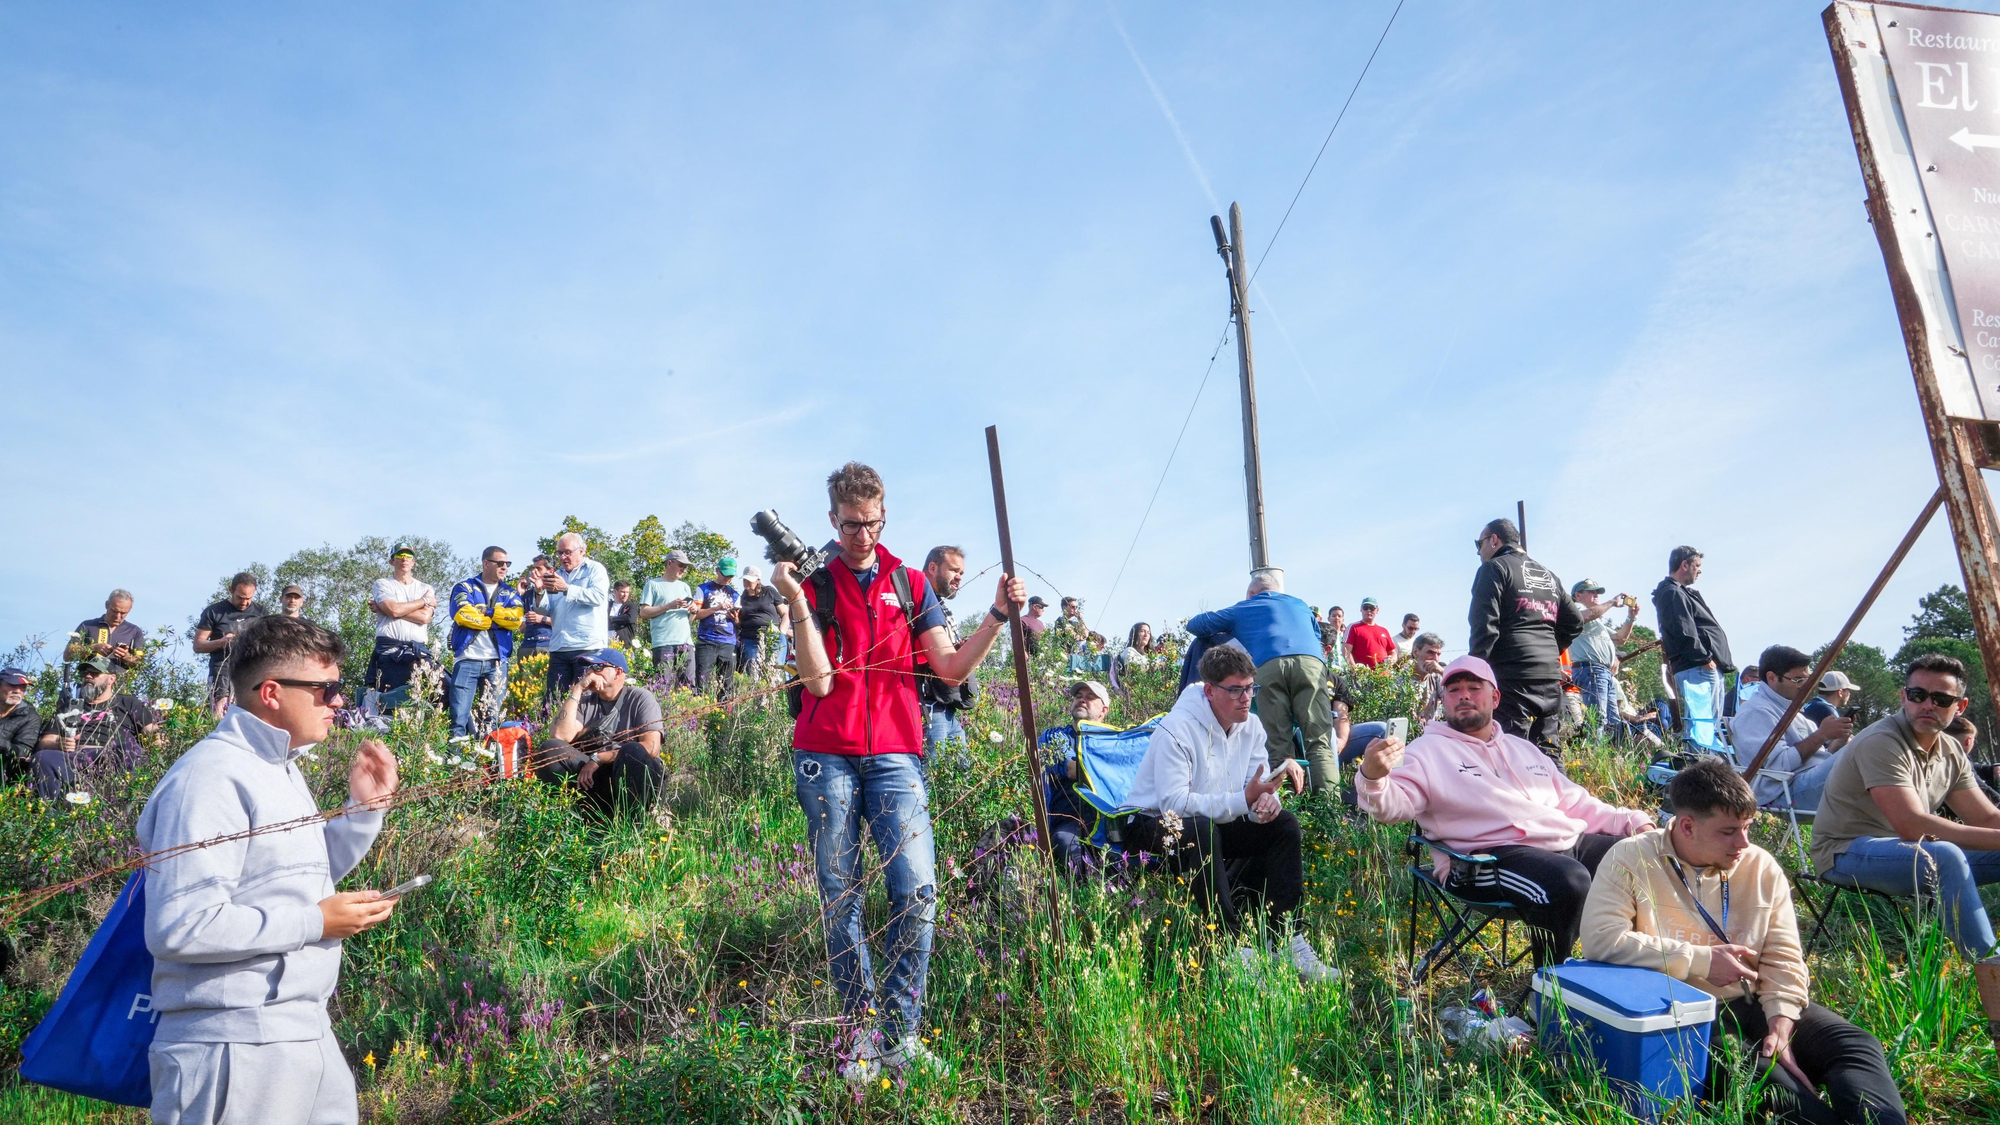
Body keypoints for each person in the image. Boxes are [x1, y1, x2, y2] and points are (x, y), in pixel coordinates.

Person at [774, 461, 1023, 1083]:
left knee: (915, 890)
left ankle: (900, 1037)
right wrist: (799, 604)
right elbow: (819, 681)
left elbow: (951, 671)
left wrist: (994, 617)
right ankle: (858, 1036)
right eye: (853, 524)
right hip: (824, 752)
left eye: (874, 523)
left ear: (885, 516)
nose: (864, 535)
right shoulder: (816, 582)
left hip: (895, 754)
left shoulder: (912, 584)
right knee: (841, 897)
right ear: (833, 519)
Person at [137, 614, 399, 1125]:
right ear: (273, 692)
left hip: (304, 1030)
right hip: (233, 1044)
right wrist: (317, 922)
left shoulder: (278, 768)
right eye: (327, 689)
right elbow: (180, 927)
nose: (339, 702)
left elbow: (293, 882)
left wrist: (364, 812)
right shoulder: (209, 777)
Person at [1581, 758, 1906, 1125]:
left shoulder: (1760, 865)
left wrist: (1782, 1017)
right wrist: (1701, 961)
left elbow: (1783, 953)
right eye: (1729, 831)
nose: (1744, 843)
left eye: (1748, 828)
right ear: (1687, 826)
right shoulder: (1632, 857)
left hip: (1755, 1001)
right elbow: (1601, 941)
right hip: (1681, 1014)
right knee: (1770, 1083)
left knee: (1856, 1046)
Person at [1358, 654, 1651, 967]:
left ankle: (1628, 971)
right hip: (1481, 860)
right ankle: (1552, 995)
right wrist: (1373, 776)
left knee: (1639, 857)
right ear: (1443, 700)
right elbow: (1394, 807)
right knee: (1569, 881)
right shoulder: (1425, 752)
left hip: (1560, 845)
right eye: (1454, 690)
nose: (1464, 695)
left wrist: (1637, 824)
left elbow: (1576, 803)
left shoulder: (1522, 748)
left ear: (1495, 697)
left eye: (1474, 687)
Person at [1122, 645, 1334, 980]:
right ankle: (1228, 945)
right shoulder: (1176, 729)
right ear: (1209, 690)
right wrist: (1245, 800)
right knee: (1200, 829)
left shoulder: (1252, 727)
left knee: (1283, 825)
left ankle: (1285, 938)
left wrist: (1265, 805)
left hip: (1211, 825)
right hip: (1149, 826)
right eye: (1235, 690)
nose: (1246, 697)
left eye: (1251, 688)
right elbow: (1174, 806)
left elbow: (1253, 786)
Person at [1811, 653, 2000, 970]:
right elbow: (1913, 826)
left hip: (1905, 853)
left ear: (1960, 707)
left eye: (1941, 698)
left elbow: (1985, 818)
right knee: (1945, 855)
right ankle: (1990, 973)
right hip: (1845, 851)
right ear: (1903, 697)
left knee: (1944, 854)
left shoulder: (1950, 749)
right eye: (1917, 695)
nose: (1927, 705)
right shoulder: (1882, 741)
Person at [1186, 568, 1334, 796]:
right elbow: (1316, 637)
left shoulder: (1244, 607)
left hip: (1268, 665)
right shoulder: (1301, 605)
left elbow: (1196, 624)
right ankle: (1329, 810)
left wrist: (1233, 626)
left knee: (1279, 745)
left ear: (1251, 592)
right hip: (1311, 664)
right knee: (1319, 742)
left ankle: (1287, 808)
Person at [1468, 518, 1584, 754]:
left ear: (1494, 540)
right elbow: (1575, 622)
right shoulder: (1549, 575)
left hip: (1512, 675)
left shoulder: (1494, 568)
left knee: (1512, 750)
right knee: (1548, 750)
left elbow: (1484, 627)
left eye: (1479, 544)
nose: (1479, 552)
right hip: (1549, 675)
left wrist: (1473, 672)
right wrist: (1550, 648)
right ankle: (1562, 792)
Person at [535, 650, 667, 819]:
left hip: (632, 776)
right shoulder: (586, 701)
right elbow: (560, 735)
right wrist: (577, 689)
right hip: (594, 778)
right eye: (589, 668)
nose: (590, 673)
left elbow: (651, 747)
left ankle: (632, 824)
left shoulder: (640, 698)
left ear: (618, 672)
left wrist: (599, 758)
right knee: (549, 748)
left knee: (632, 750)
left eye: (597, 667)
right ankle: (572, 820)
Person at [1736, 645, 1856, 811]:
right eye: (1798, 680)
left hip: (1805, 782)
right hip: (1783, 792)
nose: (1804, 686)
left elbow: (1820, 756)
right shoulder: (1756, 712)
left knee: (1872, 748)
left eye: (1807, 680)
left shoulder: (1791, 710)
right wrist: (1821, 734)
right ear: (1771, 678)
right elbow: (1778, 766)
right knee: (1870, 746)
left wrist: (1841, 740)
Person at [34, 653, 160, 798]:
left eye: (95, 673)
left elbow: (153, 733)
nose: (88, 676)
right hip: (76, 757)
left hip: (114, 755)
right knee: (42, 757)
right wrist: (58, 744)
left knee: (128, 746)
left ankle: (125, 803)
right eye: (85, 672)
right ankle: (50, 813)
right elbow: (44, 741)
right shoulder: (71, 706)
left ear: (111, 678)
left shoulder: (128, 703)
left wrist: (160, 752)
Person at [1653, 545, 1735, 732]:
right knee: (1703, 725)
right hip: (1696, 667)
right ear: (1684, 565)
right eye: (1697, 565)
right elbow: (1683, 630)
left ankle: (1704, 759)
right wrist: (1704, 659)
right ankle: (1700, 760)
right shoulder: (1672, 593)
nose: (1700, 570)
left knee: (1708, 725)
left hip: (1701, 667)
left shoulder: (1680, 593)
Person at [447, 547, 523, 740]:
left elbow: (515, 620)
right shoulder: (464, 587)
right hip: (467, 660)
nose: (504, 567)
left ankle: (488, 766)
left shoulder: (510, 592)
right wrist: (498, 619)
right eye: (500, 563)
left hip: (497, 663)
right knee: (458, 718)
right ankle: (456, 763)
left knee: (492, 720)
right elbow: (462, 614)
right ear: (486, 563)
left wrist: (487, 613)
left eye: (507, 564)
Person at [914, 547, 977, 761]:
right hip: (929, 704)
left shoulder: (937, 603)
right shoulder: (918, 600)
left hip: (946, 705)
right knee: (932, 778)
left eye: (962, 573)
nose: (959, 577)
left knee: (961, 773)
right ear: (933, 568)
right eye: (954, 570)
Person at [1043, 680, 1113, 868]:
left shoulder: (1113, 741)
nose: (1082, 700)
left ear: (1103, 711)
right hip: (1069, 820)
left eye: (1090, 697)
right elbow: (1071, 769)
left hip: (1110, 820)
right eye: (1078, 697)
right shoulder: (1055, 736)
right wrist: (1112, 770)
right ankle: (1084, 894)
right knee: (1067, 843)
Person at [541, 533, 611, 697]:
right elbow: (544, 609)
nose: (563, 557)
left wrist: (566, 588)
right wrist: (538, 592)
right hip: (560, 647)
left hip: (587, 647)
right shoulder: (557, 575)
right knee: (554, 701)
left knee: (587, 701)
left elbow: (598, 597)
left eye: (567, 552)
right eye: (559, 553)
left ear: (581, 551)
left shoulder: (595, 569)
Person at [1565, 579, 1638, 736]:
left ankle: (1609, 756)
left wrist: (1631, 617)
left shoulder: (1596, 620)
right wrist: (1612, 602)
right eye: (1591, 592)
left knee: (1613, 721)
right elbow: (1587, 615)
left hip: (1602, 672)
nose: (1596, 595)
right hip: (1591, 669)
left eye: (1597, 592)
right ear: (1577, 595)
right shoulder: (1576, 608)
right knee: (1598, 718)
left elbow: (1620, 638)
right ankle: (1594, 753)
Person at [365, 543, 436, 697]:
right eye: (399, 555)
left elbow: (424, 617)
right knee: (388, 700)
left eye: (408, 556)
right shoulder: (383, 584)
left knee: (432, 695)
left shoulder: (426, 587)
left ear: (413, 562)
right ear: (392, 561)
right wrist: (424, 601)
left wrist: (386, 610)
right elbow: (394, 610)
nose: (404, 559)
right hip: (389, 651)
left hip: (418, 653)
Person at [193, 572, 270, 712]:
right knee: (220, 713)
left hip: (252, 671)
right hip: (222, 671)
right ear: (231, 590)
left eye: (249, 598)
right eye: (240, 597)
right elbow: (198, 645)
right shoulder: (214, 612)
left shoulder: (261, 612)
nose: (245, 602)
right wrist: (222, 642)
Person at [638, 550, 697, 690]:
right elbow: (644, 613)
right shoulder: (653, 584)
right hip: (664, 643)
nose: (683, 569)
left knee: (689, 687)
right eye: (681, 565)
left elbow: (690, 620)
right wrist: (669, 605)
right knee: (663, 686)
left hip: (686, 643)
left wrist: (694, 611)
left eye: (686, 567)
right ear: (670, 563)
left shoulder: (685, 587)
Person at [693, 557, 741, 696]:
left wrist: (736, 618)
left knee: (727, 685)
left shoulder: (735, 594)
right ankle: (700, 713)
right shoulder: (703, 589)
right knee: (702, 682)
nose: (728, 579)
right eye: (725, 575)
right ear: (717, 570)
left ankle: (724, 713)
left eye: (731, 576)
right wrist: (717, 608)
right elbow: (695, 615)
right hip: (707, 640)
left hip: (728, 642)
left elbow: (738, 623)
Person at [64, 589, 145, 669]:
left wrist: (126, 657)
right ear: (107, 605)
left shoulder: (134, 631)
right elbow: (67, 656)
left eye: (123, 613)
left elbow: (140, 665)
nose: (118, 616)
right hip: (89, 680)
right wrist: (93, 648)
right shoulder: (87, 626)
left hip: (118, 681)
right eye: (114, 611)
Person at [736, 565, 785, 682]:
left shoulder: (769, 591)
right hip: (750, 638)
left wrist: (781, 632)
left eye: (749, 580)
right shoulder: (741, 598)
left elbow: (785, 613)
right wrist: (736, 621)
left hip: (773, 635)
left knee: (775, 670)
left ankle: (775, 697)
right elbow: (739, 623)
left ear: (758, 580)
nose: (746, 583)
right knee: (753, 673)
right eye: (745, 580)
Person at [0, 667, 39, 785]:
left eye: (22, 687)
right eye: (12, 685)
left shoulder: (30, 717)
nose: (17, 690)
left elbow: (23, 752)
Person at [515, 556, 555, 659]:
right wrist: (519, 595)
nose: (534, 572)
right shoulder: (527, 595)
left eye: (539, 569)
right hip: (527, 646)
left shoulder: (557, 593)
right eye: (534, 569)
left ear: (550, 571)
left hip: (548, 645)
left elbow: (565, 622)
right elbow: (520, 627)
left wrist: (542, 619)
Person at [1345, 597, 1395, 668]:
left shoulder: (1384, 630)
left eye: (1372, 608)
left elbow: (1393, 652)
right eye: (1365, 607)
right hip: (1363, 675)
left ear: (1377, 610)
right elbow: (1346, 651)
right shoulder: (1353, 627)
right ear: (1361, 609)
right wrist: (1355, 670)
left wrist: (1392, 659)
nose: (1368, 610)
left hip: (1383, 676)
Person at [606, 581, 637, 647]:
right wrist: (621, 619)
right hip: (605, 644)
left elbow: (630, 619)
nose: (626, 595)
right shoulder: (606, 606)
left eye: (627, 592)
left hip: (624, 645)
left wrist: (611, 619)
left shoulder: (631, 606)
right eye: (623, 592)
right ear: (615, 591)